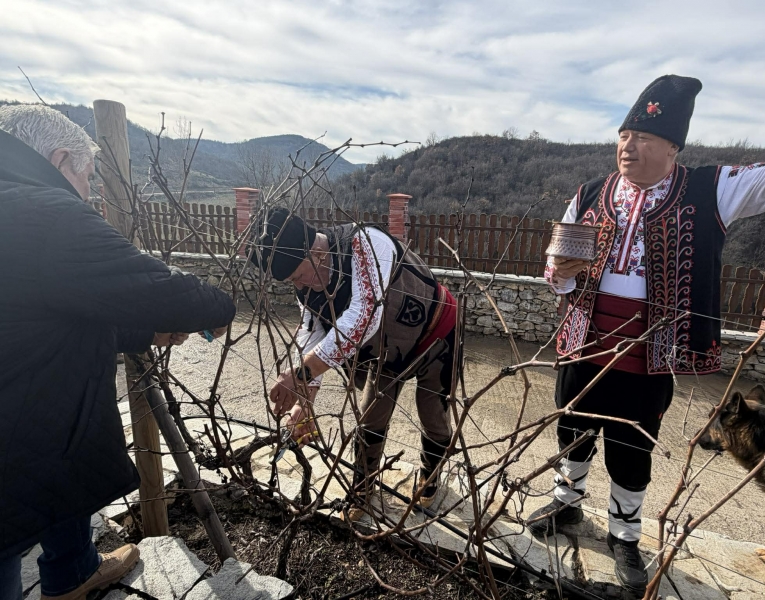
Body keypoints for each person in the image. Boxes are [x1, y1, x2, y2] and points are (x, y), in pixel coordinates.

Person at [524, 74, 765, 595]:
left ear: (673, 147)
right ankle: (566, 504)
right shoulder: (589, 193)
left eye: (645, 138)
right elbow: (554, 270)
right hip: (584, 340)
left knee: (631, 445)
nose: (629, 147)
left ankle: (624, 535)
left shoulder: (711, 188)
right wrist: (559, 272)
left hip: (649, 351)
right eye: (624, 135)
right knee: (573, 427)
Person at [0, 105, 236, 600]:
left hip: (31, 401)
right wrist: (218, 308)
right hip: (14, 427)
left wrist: (142, 332)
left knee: (59, 463)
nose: (88, 193)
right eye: (87, 177)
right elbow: (153, 287)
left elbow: (42, 312)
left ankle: (74, 572)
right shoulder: (46, 211)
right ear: (59, 160)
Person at [252, 208, 457, 520]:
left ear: (316, 252)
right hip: (387, 352)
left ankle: (431, 476)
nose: (299, 285)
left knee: (433, 415)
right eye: (292, 281)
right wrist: (304, 401)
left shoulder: (365, 244)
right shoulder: (306, 286)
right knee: (370, 418)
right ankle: (362, 487)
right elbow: (312, 332)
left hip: (436, 333)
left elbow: (363, 317)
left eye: (298, 276)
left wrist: (300, 375)